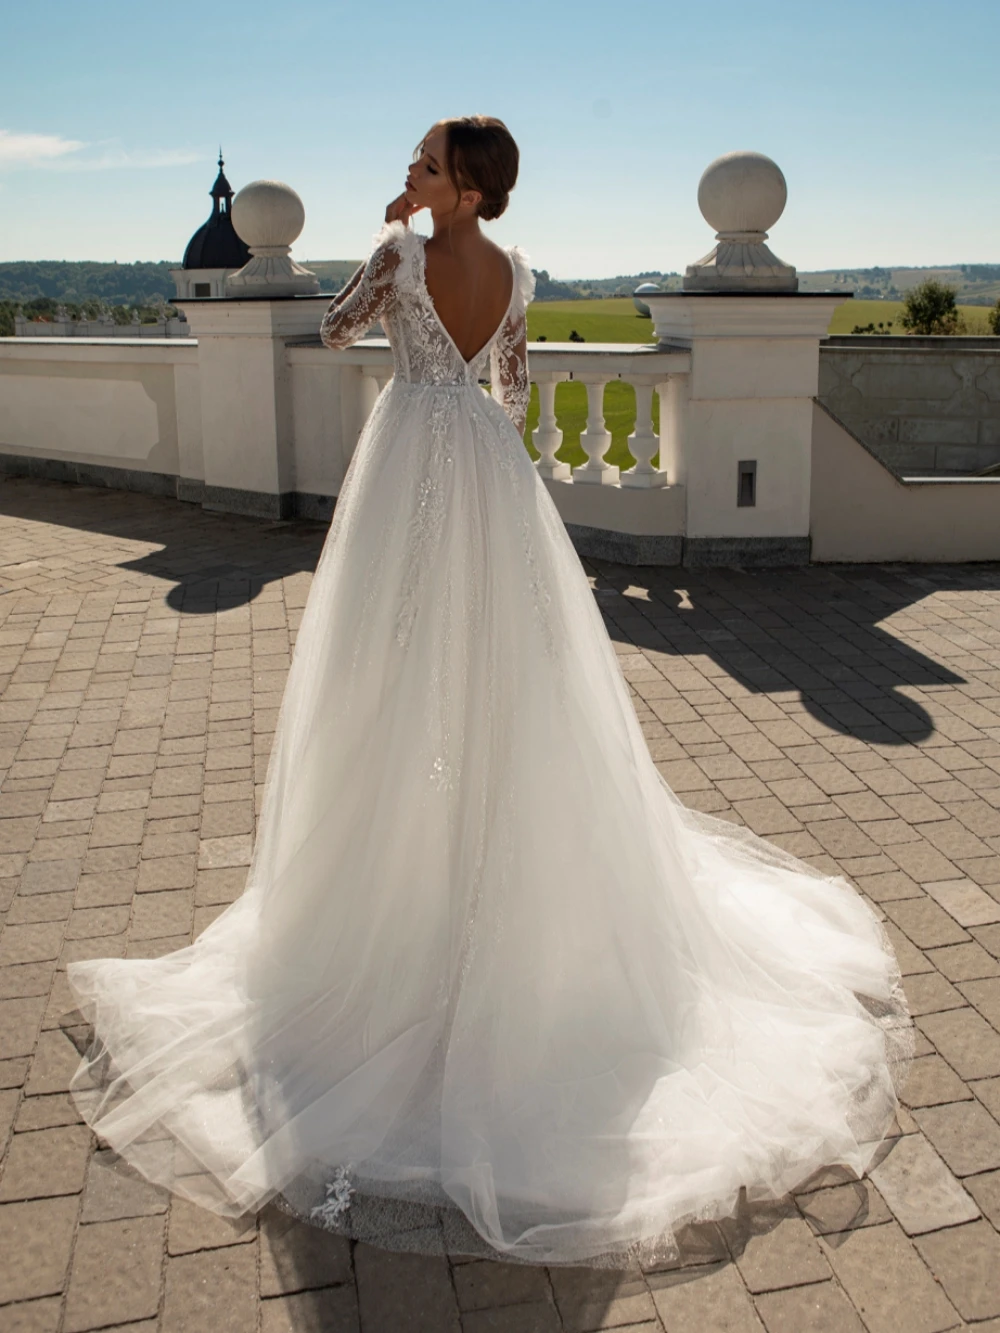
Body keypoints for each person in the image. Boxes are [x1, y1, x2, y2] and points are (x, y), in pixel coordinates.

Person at [66, 115, 913, 1268]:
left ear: (460, 188)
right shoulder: (520, 271)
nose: (407, 174)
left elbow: (328, 331)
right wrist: (476, 442)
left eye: (424, 165)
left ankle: (401, 901)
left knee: (389, 671)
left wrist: (393, 247)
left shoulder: (399, 257)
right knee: (508, 674)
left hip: (408, 463)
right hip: (489, 476)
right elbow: (511, 384)